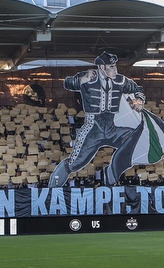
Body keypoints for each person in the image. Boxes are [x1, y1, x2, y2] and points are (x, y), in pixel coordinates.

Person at [49, 52, 145, 188]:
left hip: (111, 128)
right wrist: (82, 80)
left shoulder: (120, 80)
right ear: (101, 67)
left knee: (136, 139)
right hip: (93, 128)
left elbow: (137, 88)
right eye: (111, 66)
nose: (114, 69)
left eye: (115, 66)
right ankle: (51, 190)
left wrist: (139, 100)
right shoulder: (89, 77)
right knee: (75, 163)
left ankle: (111, 173)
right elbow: (67, 83)